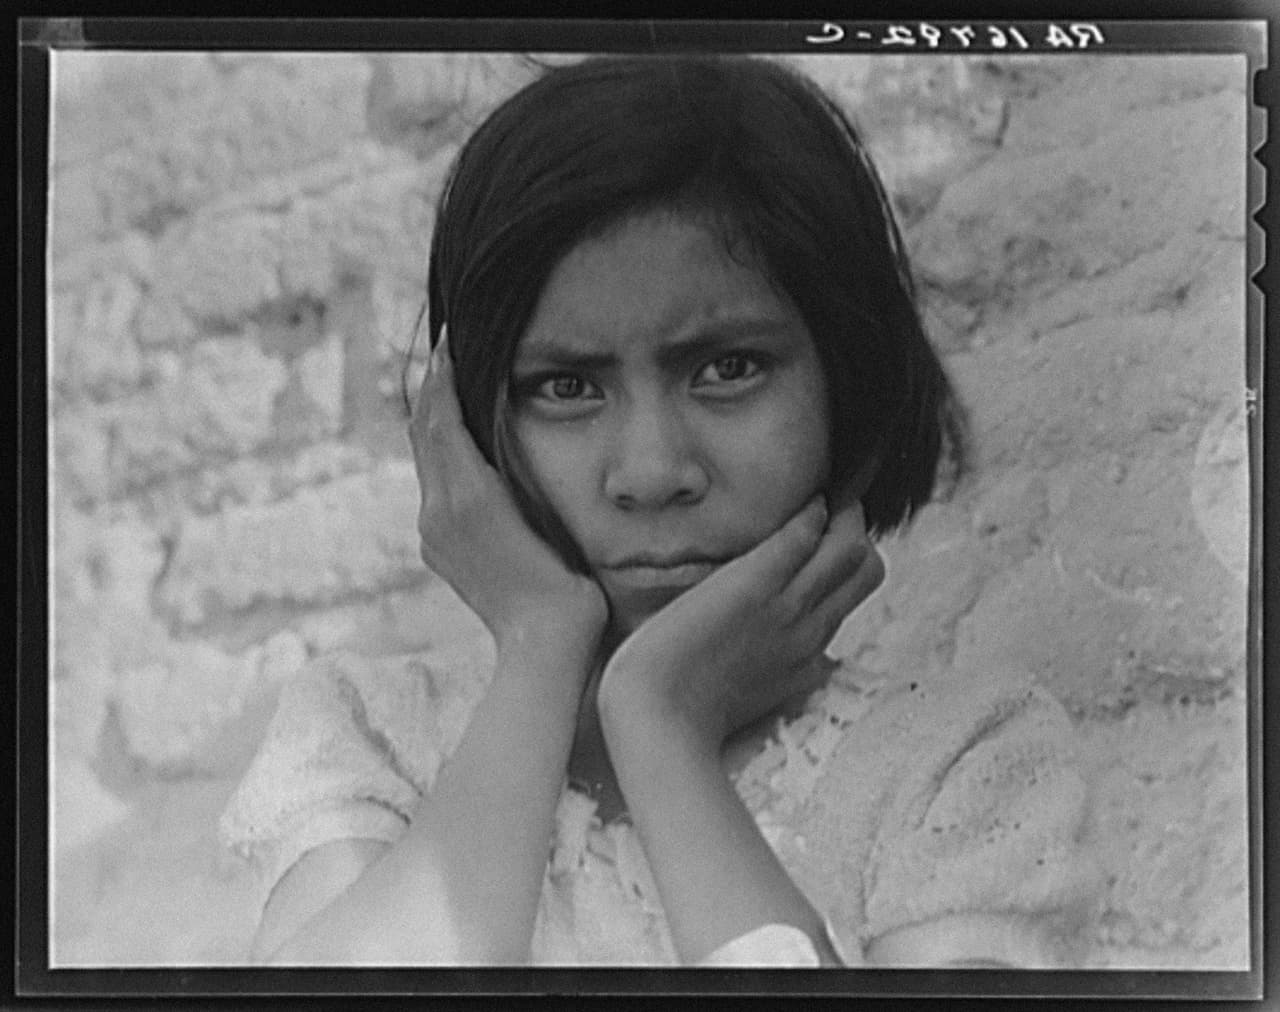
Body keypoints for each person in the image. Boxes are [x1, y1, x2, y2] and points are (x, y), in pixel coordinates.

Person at [220, 53, 1099, 967]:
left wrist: (663, 727)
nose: (650, 473)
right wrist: (538, 645)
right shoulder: (369, 731)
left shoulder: (965, 764)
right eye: (564, 386)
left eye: (727, 369)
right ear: (466, 427)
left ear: (852, 379)